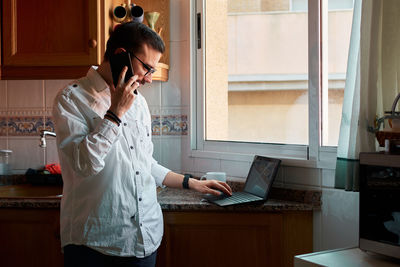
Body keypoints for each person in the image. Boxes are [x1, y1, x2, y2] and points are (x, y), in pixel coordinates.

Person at [53, 22, 232, 267]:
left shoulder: (138, 103)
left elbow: (144, 163)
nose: (149, 79)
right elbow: (84, 165)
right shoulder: (72, 98)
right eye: (146, 67)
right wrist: (114, 114)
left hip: (145, 238)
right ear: (120, 55)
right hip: (96, 243)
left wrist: (192, 183)